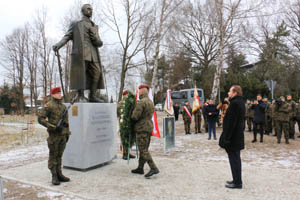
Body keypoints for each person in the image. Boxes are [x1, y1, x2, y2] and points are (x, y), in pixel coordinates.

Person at [52, 4, 105, 102]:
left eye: (91, 9)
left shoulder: (94, 26)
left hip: (93, 54)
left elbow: (100, 43)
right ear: (83, 11)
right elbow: (67, 36)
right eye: (88, 9)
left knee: (97, 73)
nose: (91, 11)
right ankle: (80, 95)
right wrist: (58, 45)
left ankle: (92, 96)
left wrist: (96, 39)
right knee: (81, 74)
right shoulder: (76, 24)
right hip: (81, 54)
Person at [38, 87, 71, 185]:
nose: (60, 94)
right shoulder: (48, 106)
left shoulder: (63, 107)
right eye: (57, 93)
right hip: (54, 135)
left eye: (60, 93)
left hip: (62, 135)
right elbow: (40, 119)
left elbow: (66, 122)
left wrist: (67, 134)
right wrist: (53, 127)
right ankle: (54, 176)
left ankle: (59, 173)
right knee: (53, 156)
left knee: (59, 156)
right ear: (53, 95)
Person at [219, 85, 245, 189]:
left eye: (230, 91)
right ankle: (236, 180)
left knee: (234, 160)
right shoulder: (238, 102)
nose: (228, 93)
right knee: (235, 159)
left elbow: (231, 123)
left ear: (235, 93)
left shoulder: (235, 104)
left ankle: (237, 183)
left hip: (233, 138)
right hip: (236, 136)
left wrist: (227, 138)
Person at [131, 85, 159, 178]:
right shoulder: (150, 102)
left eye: (139, 91)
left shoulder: (142, 102)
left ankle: (153, 167)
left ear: (142, 91)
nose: (138, 93)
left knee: (143, 149)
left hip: (141, 128)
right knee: (144, 148)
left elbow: (135, 116)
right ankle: (140, 168)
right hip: (148, 127)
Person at [117, 90, 136, 160]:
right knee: (124, 138)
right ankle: (124, 154)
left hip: (129, 122)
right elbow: (118, 112)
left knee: (129, 138)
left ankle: (128, 153)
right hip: (123, 123)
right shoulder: (121, 103)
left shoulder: (129, 102)